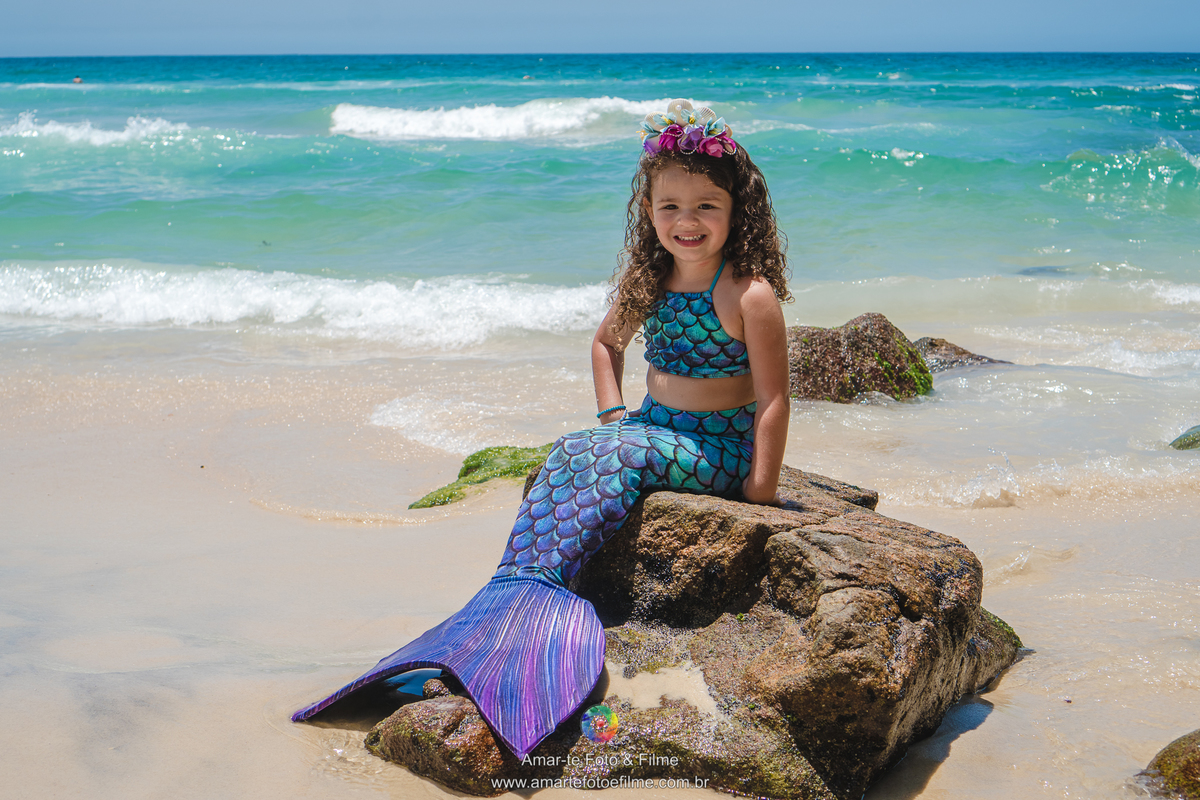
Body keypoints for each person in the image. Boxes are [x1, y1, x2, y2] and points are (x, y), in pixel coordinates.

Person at [293, 99, 792, 759]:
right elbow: (605, 345)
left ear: (737, 211)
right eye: (670, 205)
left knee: (620, 455)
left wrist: (761, 488)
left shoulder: (748, 293)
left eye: (706, 205)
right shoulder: (649, 280)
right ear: (648, 212)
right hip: (652, 427)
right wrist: (612, 417)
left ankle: (538, 606)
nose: (687, 221)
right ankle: (515, 592)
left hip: (715, 447)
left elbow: (775, 397)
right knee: (572, 450)